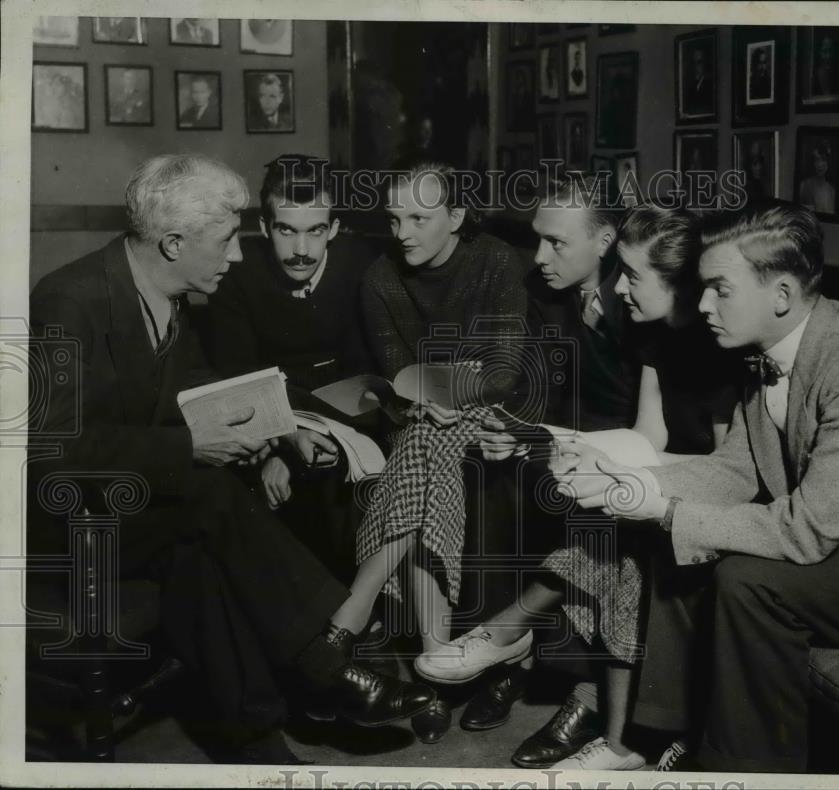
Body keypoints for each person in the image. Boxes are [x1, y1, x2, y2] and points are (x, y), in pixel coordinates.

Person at [27, 154, 434, 764]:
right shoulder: (70, 299)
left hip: (146, 507)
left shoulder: (170, 297)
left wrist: (280, 427)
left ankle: (258, 741)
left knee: (204, 546)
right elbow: (52, 456)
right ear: (171, 243)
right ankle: (327, 658)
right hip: (77, 525)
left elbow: (201, 392)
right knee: (210, 495)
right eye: (223, 241)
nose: (238, 255)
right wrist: (190, 446)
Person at [552, 200, 839, 772]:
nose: (701, 303)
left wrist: (663, 507)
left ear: (780, 295)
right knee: (676, 536)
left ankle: (746, 771)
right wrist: (626, 484)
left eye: (718, 289)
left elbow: (804, 533)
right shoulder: (768, 349)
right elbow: (739, 469)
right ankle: (655, 737)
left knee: (747, 577)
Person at [419, 204, 741, 771]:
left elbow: (729, 466)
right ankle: (615, 738)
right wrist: (538, 437)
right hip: (663, 479)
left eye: (635, 276)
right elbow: (646, 434)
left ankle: (513, 636)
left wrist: (620, 473)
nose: (624, 289)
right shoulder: (654, 337)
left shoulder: (721, 348)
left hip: (709, 495)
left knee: (618, 524)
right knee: (602, 508)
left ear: (682, 283)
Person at [333, 161, 529, 743]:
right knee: (426, 440)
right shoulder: (379, 280)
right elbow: (398, 379)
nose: (403, 233)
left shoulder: (494, 260)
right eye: (395, 218)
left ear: (457, 217)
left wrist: (446, 387)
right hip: (421, 421)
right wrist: (424, 398)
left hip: (498, 414)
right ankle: (437, 663)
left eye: (419, 218)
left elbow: (504, 372)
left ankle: (357, 610)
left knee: (426, 441)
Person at [206, 153, 375, 577]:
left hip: (347, 427)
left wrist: (298, 445)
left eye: (316, 231)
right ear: (264, 229)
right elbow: (236, 378)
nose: (302, 251)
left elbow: (364, 380)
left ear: (334, 229)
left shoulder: (362, 267)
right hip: (266, 425)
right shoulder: (235, 274)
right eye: (286, 230)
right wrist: (281, 443)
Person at [798, 139, 836, 215]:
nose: (819, 164)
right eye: (816, 160)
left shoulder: (832, 191)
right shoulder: (804, 186)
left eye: (823, 159)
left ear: (828, 162)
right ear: (812, 162)